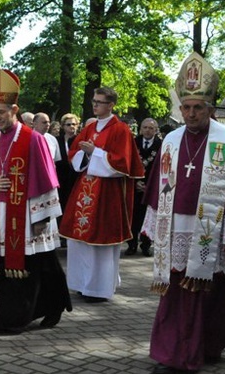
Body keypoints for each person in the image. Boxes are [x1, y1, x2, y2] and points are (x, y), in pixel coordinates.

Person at [142, 52, 225, 374]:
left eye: (197, 108)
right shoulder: (171, 140)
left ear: (211, 108)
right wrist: (152, 224)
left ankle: (208, 345)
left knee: (214, 293)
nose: (190, 114)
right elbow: (156, 186)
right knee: (179, 294)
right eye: (185, 107)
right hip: (175, 228)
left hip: (213, 228)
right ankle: (175, 353)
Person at [0, 67, 71, 335]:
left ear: (15, 110)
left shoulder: (33, 140)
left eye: (3, 112)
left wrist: (42, 218)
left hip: (27, 213)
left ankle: (40, 310)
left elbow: (47, 178)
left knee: (39, 263)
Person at [59, 87, 144, 303]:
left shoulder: (120, 129)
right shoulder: (90, 128)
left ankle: (98, 289)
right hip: (85, 192)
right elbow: (73, 154)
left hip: (106, 194)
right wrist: (85, 153)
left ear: (111, 105)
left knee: (101, 241)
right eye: (94, 101)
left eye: (99, 101)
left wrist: (94, 152)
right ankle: (81, 283)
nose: (95, 105)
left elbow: (122, 163)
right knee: (80, 241)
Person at [125, 118, 161, 257]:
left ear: (155, 130)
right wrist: (135, 182)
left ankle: (146, 245)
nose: (147, 130)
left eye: (151, 128)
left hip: (151, 187)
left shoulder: (161, 145)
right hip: (134, 186)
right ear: (140, 129)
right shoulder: (133, 143)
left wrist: (150, 186)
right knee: (133, 217)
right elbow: (127, 164)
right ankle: (132, 244)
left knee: (149, 216)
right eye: (145, 127)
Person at [55, 113, 80, 214]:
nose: (71, 127)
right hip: (61, 176)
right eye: (68, 124)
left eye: (74, 124)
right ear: (62, 126)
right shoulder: (57, 140)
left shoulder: (80, 140)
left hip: (75, 176)